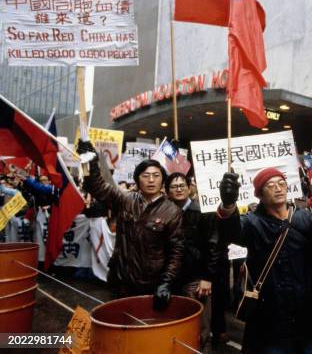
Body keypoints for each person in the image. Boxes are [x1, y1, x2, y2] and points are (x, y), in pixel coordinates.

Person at [216, 168, 312, 353]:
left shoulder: (305, 218)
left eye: (281, 183)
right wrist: (228, 205)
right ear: (259, 194)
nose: (278, 188)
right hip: (271, 324)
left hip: (309, 320)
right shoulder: (252, 222)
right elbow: (230, 232)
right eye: (270, 185)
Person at [77, 140, 183, 310]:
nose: (151, 180)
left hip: (152, 282)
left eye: (156, 176)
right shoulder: (125, 200)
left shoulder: (172, 211)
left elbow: (176, 252)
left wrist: (166, 282)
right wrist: (90, 161)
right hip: (122, 279)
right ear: (137, 179)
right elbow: (97, 187)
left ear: (162, 180)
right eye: (145, 175)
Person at [165, 172, 218, 347]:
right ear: (167, 191)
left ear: (189, 188)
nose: (178, 189)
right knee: (176, 325)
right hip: (172, 279)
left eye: (182, 185)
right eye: (174, 186)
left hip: (196, 279)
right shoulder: (165, 212)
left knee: (200, 327)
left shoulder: (203, 212)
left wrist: (207, 278)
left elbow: (213, 246)